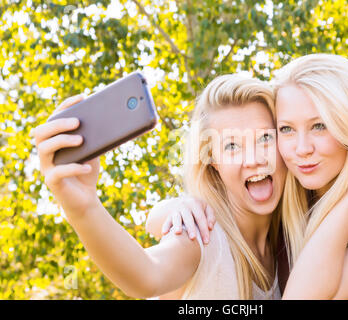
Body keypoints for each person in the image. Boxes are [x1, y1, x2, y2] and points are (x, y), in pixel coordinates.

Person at [149, 54, 348, 300]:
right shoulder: (291, 197)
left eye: (319, 126)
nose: (302, 149)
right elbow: (200, 225)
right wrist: (176, 209)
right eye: (286, 129)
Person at [33, 74, 286, 299]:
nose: (253, 159)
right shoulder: (202, 233)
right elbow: (147, 275)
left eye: (265, 138)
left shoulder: (289, 241)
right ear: (213, 163)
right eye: (232, 146)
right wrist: (83, 206)